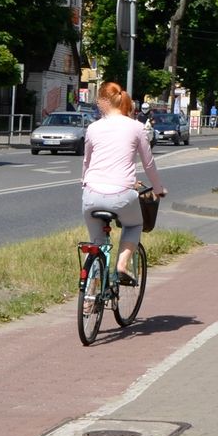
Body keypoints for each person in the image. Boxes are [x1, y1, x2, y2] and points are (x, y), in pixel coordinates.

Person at [81, 82, 167, 285]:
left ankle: (89, 296)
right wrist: (158, 189)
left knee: (97, 243)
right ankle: (121, 265)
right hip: (121, 195)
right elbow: (149, 164)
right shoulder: (137, 127)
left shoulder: (93, 128)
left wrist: (85, 184)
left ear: (102, 102)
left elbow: (87, 162)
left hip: (91, 195)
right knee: (135, 224)